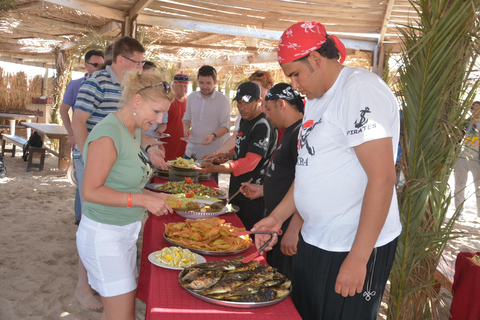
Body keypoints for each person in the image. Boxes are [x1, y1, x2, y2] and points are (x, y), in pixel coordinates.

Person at [252, 21, 402, 320]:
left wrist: (359, 258)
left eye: (295, 73)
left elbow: (383, 178)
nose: (294, 84)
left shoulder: (359, 90)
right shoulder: (318, 100)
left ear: (317, 59)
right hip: (318, 239)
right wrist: (276, 218)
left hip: (352, 245)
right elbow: (311, 170)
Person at [72, 36, 166, 310]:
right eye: (156, 111)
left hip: (122, 232)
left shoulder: (132, 129)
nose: (159, 120)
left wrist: (148, 191)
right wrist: (143, 199)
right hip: (105, 235)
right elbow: (90, 191)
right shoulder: (108, 134)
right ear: (136, 100)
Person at [239, 83, 304, 280]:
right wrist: (263, 190)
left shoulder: (301, 134)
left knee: (285, 281)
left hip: (288, 226)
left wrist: (294, 229)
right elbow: (287, 179)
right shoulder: (289, 131)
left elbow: (306, 184)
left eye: (268, 109)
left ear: (281, 104)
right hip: (277, 225)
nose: (266, 115)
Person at [197, 81, 277, 230]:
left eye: (247, 103)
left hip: (252, 194)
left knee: (247, 237)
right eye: (239, 103)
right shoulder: (246, 121)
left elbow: (250, 162)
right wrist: (227, 155)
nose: (242, 108)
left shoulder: (262, 126)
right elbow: (243, 150)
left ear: (259, 101)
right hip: (237, 190)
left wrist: (216, 168)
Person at [60, 49, 104, 225]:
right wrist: (71, 133)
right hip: (80, 141)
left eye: (102, 64)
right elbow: (63, 110)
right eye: (95, 65)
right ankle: (80, 217)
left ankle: (83, 217)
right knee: (81, 180)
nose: (99, 68)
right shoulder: (75, 85)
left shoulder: (104, 86)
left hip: (99, 143)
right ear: (86, 65)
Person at [204, 70, 275, 157]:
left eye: (256, 88)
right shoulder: (245, 113)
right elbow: (236, 137)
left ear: (269, 89)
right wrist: (217, 154)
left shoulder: (275, 111)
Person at [182, 65, 231, 182]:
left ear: (215, 82)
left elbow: (226, 126)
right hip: (191, 152)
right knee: (184, 187)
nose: (204, 86)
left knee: (208, 190)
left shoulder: (223, 100)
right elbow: (187, 117)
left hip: (212, 156)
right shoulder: (192, 97)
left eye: (208, 83)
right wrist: (186, 126)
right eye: (201, 83)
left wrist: (213, 136)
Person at [454, 101, 480, 220]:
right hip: (462, 158)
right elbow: (457, 138)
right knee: (459, 186)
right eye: (474, 109)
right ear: (471, 110)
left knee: (478, 187)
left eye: (478, 109)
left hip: (476, 158)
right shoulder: (465, 123)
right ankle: (459, 213)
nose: (477, 111)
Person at [163, 73, 189, 161]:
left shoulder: (189, 103)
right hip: (167, 145)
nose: (183, 88)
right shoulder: (168, 102)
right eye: (180, 86)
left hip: (183, 146)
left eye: (185, 86)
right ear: (173, 86)